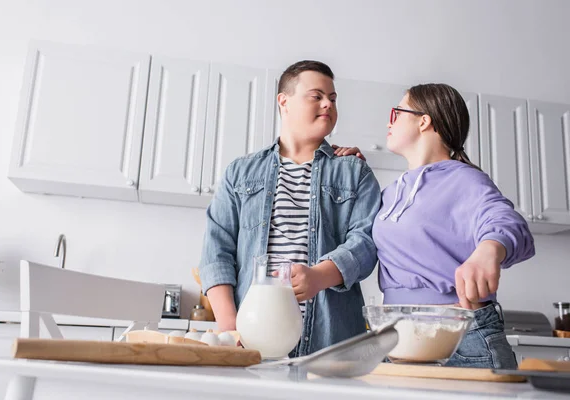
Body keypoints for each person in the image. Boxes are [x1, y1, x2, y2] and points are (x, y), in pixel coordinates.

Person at [333, 83, 535, 369]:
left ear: (423, 120)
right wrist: (350, 171)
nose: (389, 122)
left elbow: (507, 221)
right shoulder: (392, 193)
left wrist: (488, 251)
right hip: (398, 339)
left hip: (461, 340)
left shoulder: (465, 180)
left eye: (397, 113)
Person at [199, 60, 382, 357]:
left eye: (333, 99)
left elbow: (366, 243)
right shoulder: (240, 173)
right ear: (284, 101)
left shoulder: (354, 172)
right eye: (316, 96)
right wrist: (231, 328)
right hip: (251, 340)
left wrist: (318, 277)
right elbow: (216, 253)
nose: (328, 104)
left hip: (331, 342)